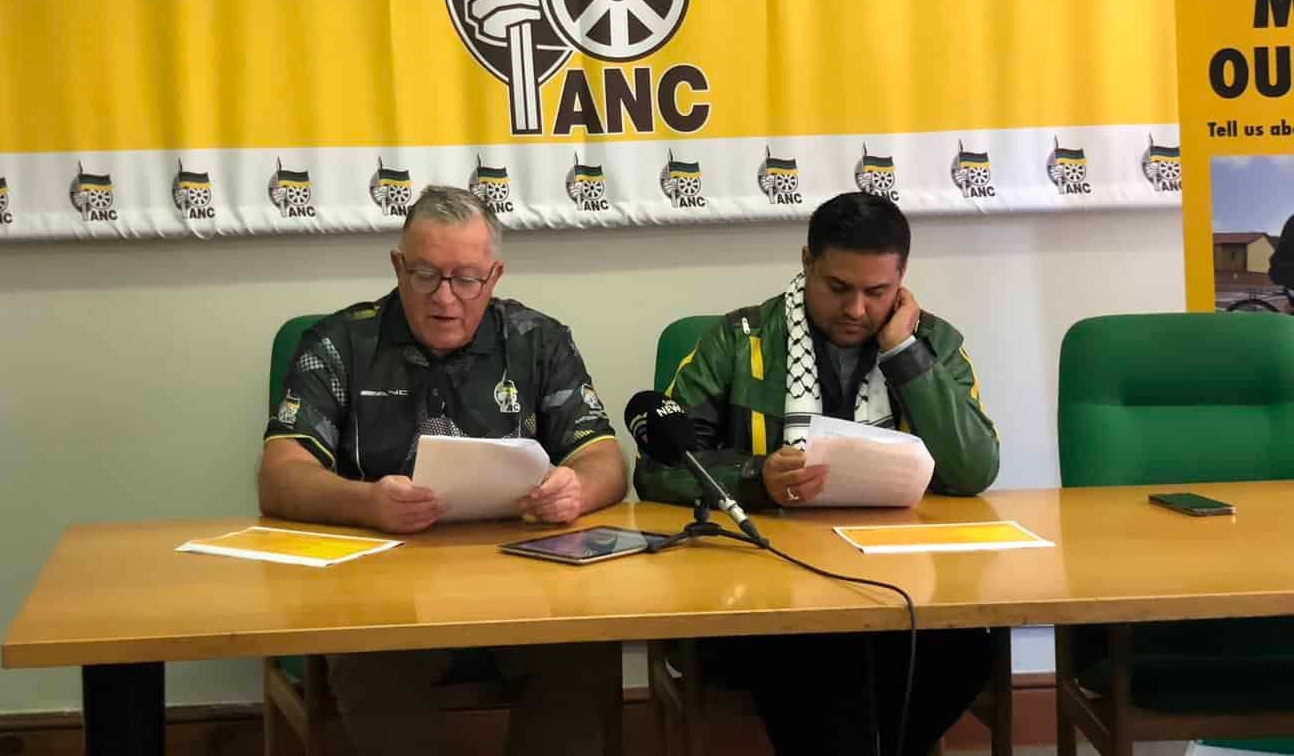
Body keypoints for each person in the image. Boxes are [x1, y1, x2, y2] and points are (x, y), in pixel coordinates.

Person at [259, 185, 626, 756]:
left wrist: (575, 489)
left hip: (521, 578)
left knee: (584, 648)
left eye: (466, 279)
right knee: (372, 665)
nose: (445, 298)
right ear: (398, 267)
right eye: (426, 275)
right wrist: (366, 503)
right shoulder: (339, 343)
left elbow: (605, 458)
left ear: (494, 277)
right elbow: (280, 475)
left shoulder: (538, 341)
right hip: (381, 590)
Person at [634, 191, 1001, 756]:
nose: (856, 309)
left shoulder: (933, 343)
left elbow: (974, 469)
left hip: (902, 578)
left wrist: (903, 353)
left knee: (969, 648)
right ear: (807, 263)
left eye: (876, 292)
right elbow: (659, 468)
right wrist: (757, 477)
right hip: (768, 591)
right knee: (821, 652)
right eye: (838, 287)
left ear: (902, 281)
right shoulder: (736, 341)